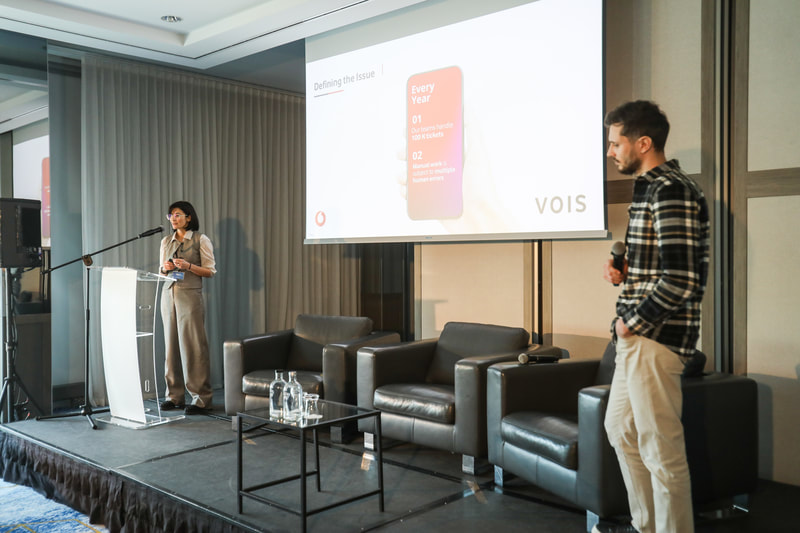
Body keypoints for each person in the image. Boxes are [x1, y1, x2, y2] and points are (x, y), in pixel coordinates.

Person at [596, 101, 710, 533]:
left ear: (643, 143)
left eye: (616, 143)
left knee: (662, 451)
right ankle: (645, 526)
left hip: (655, 338)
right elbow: (660, 267)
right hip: (636, 336)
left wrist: (632, 323)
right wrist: (624, 271)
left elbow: (681, 279)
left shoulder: (671, 190)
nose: (610, 151)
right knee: (620, 429)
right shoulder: (648, 188)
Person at [158, 201, 217, 415]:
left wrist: (189, 266)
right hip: (168, 296)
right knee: (171, 347)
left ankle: (201, 398)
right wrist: (164, 268)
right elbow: (161, 270)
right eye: (170, 215)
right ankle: (174, 396)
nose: (173, 219)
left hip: (190, 296)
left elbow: (210, 271)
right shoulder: (166, 241)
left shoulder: (201, 239)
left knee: (193, 347)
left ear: (188, 217)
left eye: (177, 214)